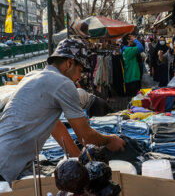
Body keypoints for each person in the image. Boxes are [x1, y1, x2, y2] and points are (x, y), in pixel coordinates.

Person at [0, 39, 126, 184]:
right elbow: (86, 136)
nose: (79, 77)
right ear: (69, 63)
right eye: (80, 70)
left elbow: (55, 126)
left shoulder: (32, 75)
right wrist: (110, 140)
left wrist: (79, 159)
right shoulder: (63, 83)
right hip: (6, 164)